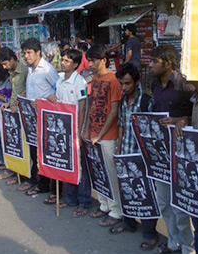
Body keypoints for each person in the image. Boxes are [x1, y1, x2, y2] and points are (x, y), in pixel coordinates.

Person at [148, 44, 195, 254]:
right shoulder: (155, 86)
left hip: (181, 152)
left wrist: (180, 120)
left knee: (181, 206)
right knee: (164, 202)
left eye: (154, 61)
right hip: (160, 152)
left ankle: (189, 247)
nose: (150, 65)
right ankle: (173, 240)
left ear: (167, 63)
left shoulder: (186, 86)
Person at [83, 45, 123, 227]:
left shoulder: (114, 80)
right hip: (93, 133)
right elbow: (90, 106)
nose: (90, 64)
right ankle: (104, 204)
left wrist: (99, 134)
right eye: (89, 60)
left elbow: (114, 111)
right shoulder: (94, 80)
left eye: (94, 60)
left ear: (104, 60)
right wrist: (87, 130)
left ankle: (116, 210)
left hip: (107, 135)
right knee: (98, 172)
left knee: (110, 173)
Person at [46, 49, 90, 215]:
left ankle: (84, 201)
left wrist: (79, 131)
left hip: (75, 129)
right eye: (62, 59)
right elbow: (57, 103)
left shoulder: (80, 82)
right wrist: (51, 99)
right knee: (67, 165)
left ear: (76, 64)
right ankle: (70, 198)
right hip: (62, 130)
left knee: (80, 166)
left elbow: (83, 107)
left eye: (66, 61)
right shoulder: (59, 81)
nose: (62, 63)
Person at [21, 38, 59, 196]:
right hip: (32, 118)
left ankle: (47, 186)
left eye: (29, 53)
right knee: (34, 150)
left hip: (46, 118)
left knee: (46, 153)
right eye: (24, 53)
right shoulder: (30, 69)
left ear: (38, 53)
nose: (26, 56)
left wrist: (45, 102)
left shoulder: (47, 69)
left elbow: (58, 91)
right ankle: (38, 182)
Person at [0, 47, 28, 184]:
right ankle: (15, 172)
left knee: (24, 147)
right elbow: (15, 92)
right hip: (14, 111)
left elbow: (26, 92)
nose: (4, 67)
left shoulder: (25, 71)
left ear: (12, 59)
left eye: (5, 63)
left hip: (24, 113)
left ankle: (24, 177)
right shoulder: (11, 72)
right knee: (14, 143)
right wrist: (9, 103)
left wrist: (17, 104)